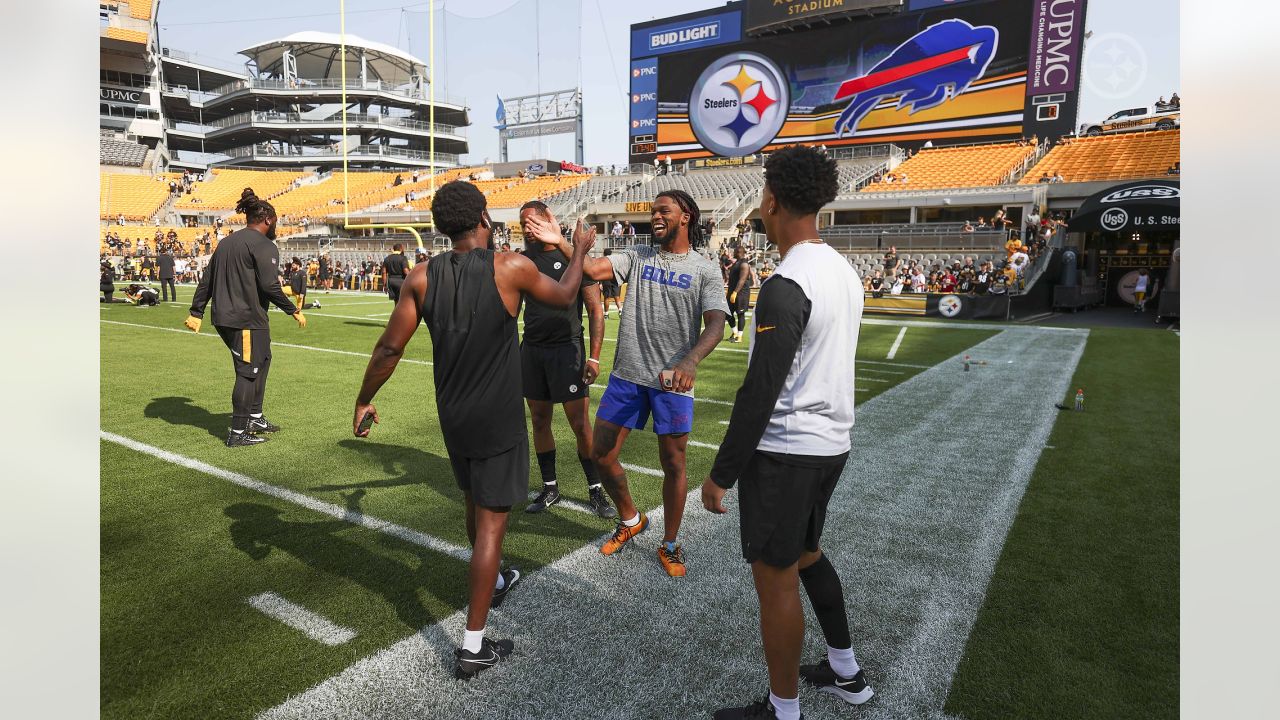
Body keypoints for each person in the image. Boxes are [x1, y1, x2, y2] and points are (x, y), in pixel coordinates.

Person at [352, 180, 597, 680]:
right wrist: (580, 249)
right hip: (497, 416)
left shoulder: (421, 276)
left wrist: (364, 399)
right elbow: (568, 292)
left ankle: (501, 576)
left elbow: (388, 350)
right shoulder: (510, 266)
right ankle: (472, 646)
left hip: (453, 415)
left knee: (473, 504)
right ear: (484, 218)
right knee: (490, 524)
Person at [703, 145, 873, 720]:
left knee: (775, 581)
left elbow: (761, 389)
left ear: (771, 199)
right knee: (807, 556)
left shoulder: (788, 280)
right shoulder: (842, 270)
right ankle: (845, 670)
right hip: (830, 445)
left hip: (786, 451)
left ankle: (783, 710)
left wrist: (721, 473)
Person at [550, 189, 729, 576]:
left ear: (687, 217)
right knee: (601, 454)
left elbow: (716, 322)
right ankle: (631, 520)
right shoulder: (637, 256)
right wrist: (567, 245)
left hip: (672, 382)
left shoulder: (705, 268)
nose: (656, 217)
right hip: (627, 376)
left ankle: (670, 543)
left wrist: (691, 360)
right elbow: (594, 270)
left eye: (664, 210)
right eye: (652, 212)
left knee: (674, 463)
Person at [184, 188, 305, 447]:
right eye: (277, 221)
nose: (277, 226)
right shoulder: (264, 245)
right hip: (245, 319)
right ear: (268, 219)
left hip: (232, 317)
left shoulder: (226, 242)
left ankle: (255, 416)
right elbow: (270, 286)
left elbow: (207, 279)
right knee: (248, 372)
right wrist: (292, 309)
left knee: (263, 360)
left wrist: (197, 311)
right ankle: (238, 432)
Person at [517, 201, 615, 518]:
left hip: (567, 350)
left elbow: (595, 309)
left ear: (550, 220)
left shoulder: (571, 257)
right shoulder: (521, 260)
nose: (527, 228)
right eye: (522, 224)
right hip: (532, 350)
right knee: (540, 421)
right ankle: (550, 487)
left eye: (532, 221)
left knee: (580, 426)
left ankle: (596, 490)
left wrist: (596, 357)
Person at [726, 246, 753, 343]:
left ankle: (739, 336)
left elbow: (742, 280)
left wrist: (735, 292)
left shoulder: (744, 264)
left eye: (734, 251)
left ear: (739, 252)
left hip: (741, 293)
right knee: (727, 313)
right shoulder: (736, 263)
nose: (733, 253)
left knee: (740, 314)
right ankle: (735, 332)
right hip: (732, 291)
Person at [600, 248, 622, 318]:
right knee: (617, 297)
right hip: (615, 280)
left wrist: (600, 282)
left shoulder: (602, 261)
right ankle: (620, 310)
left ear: (604, 253)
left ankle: (606, 314)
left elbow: (600, 271)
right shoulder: (615, 260)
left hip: (606, 280)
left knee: (607, 298)